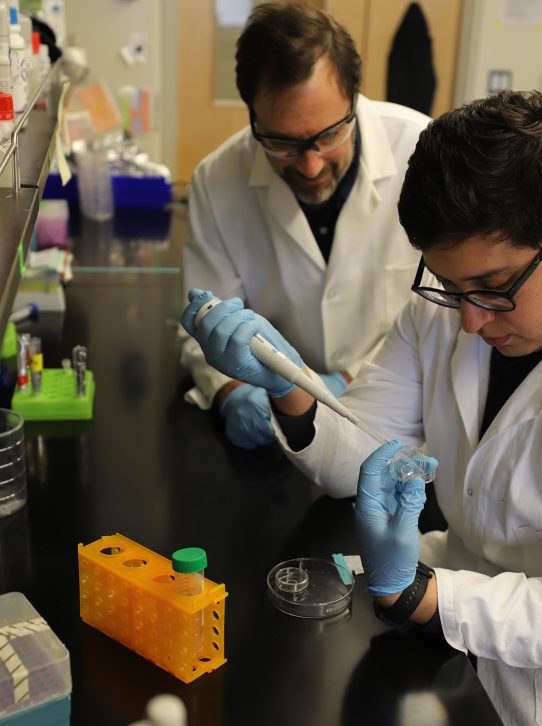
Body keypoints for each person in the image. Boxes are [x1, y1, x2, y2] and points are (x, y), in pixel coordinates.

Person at [181, 90, 542, 724]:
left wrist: (416, 592)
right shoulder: (456, 304)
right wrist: (283, 379)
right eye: (449, 286)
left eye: (494, 287)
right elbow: (357, 453)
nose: (468, 321)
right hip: (471, 624)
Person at [178, 1, 429, 449]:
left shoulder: (423, 152)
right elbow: (205, 327)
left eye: (329, 135)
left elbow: (445, 311)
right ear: (252, 112)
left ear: (354, 94)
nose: (311, 166)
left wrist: (346, 380)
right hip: (276, 421)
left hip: (399, 413)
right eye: (282, 143)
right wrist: (233, 392)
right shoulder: (217, 181)